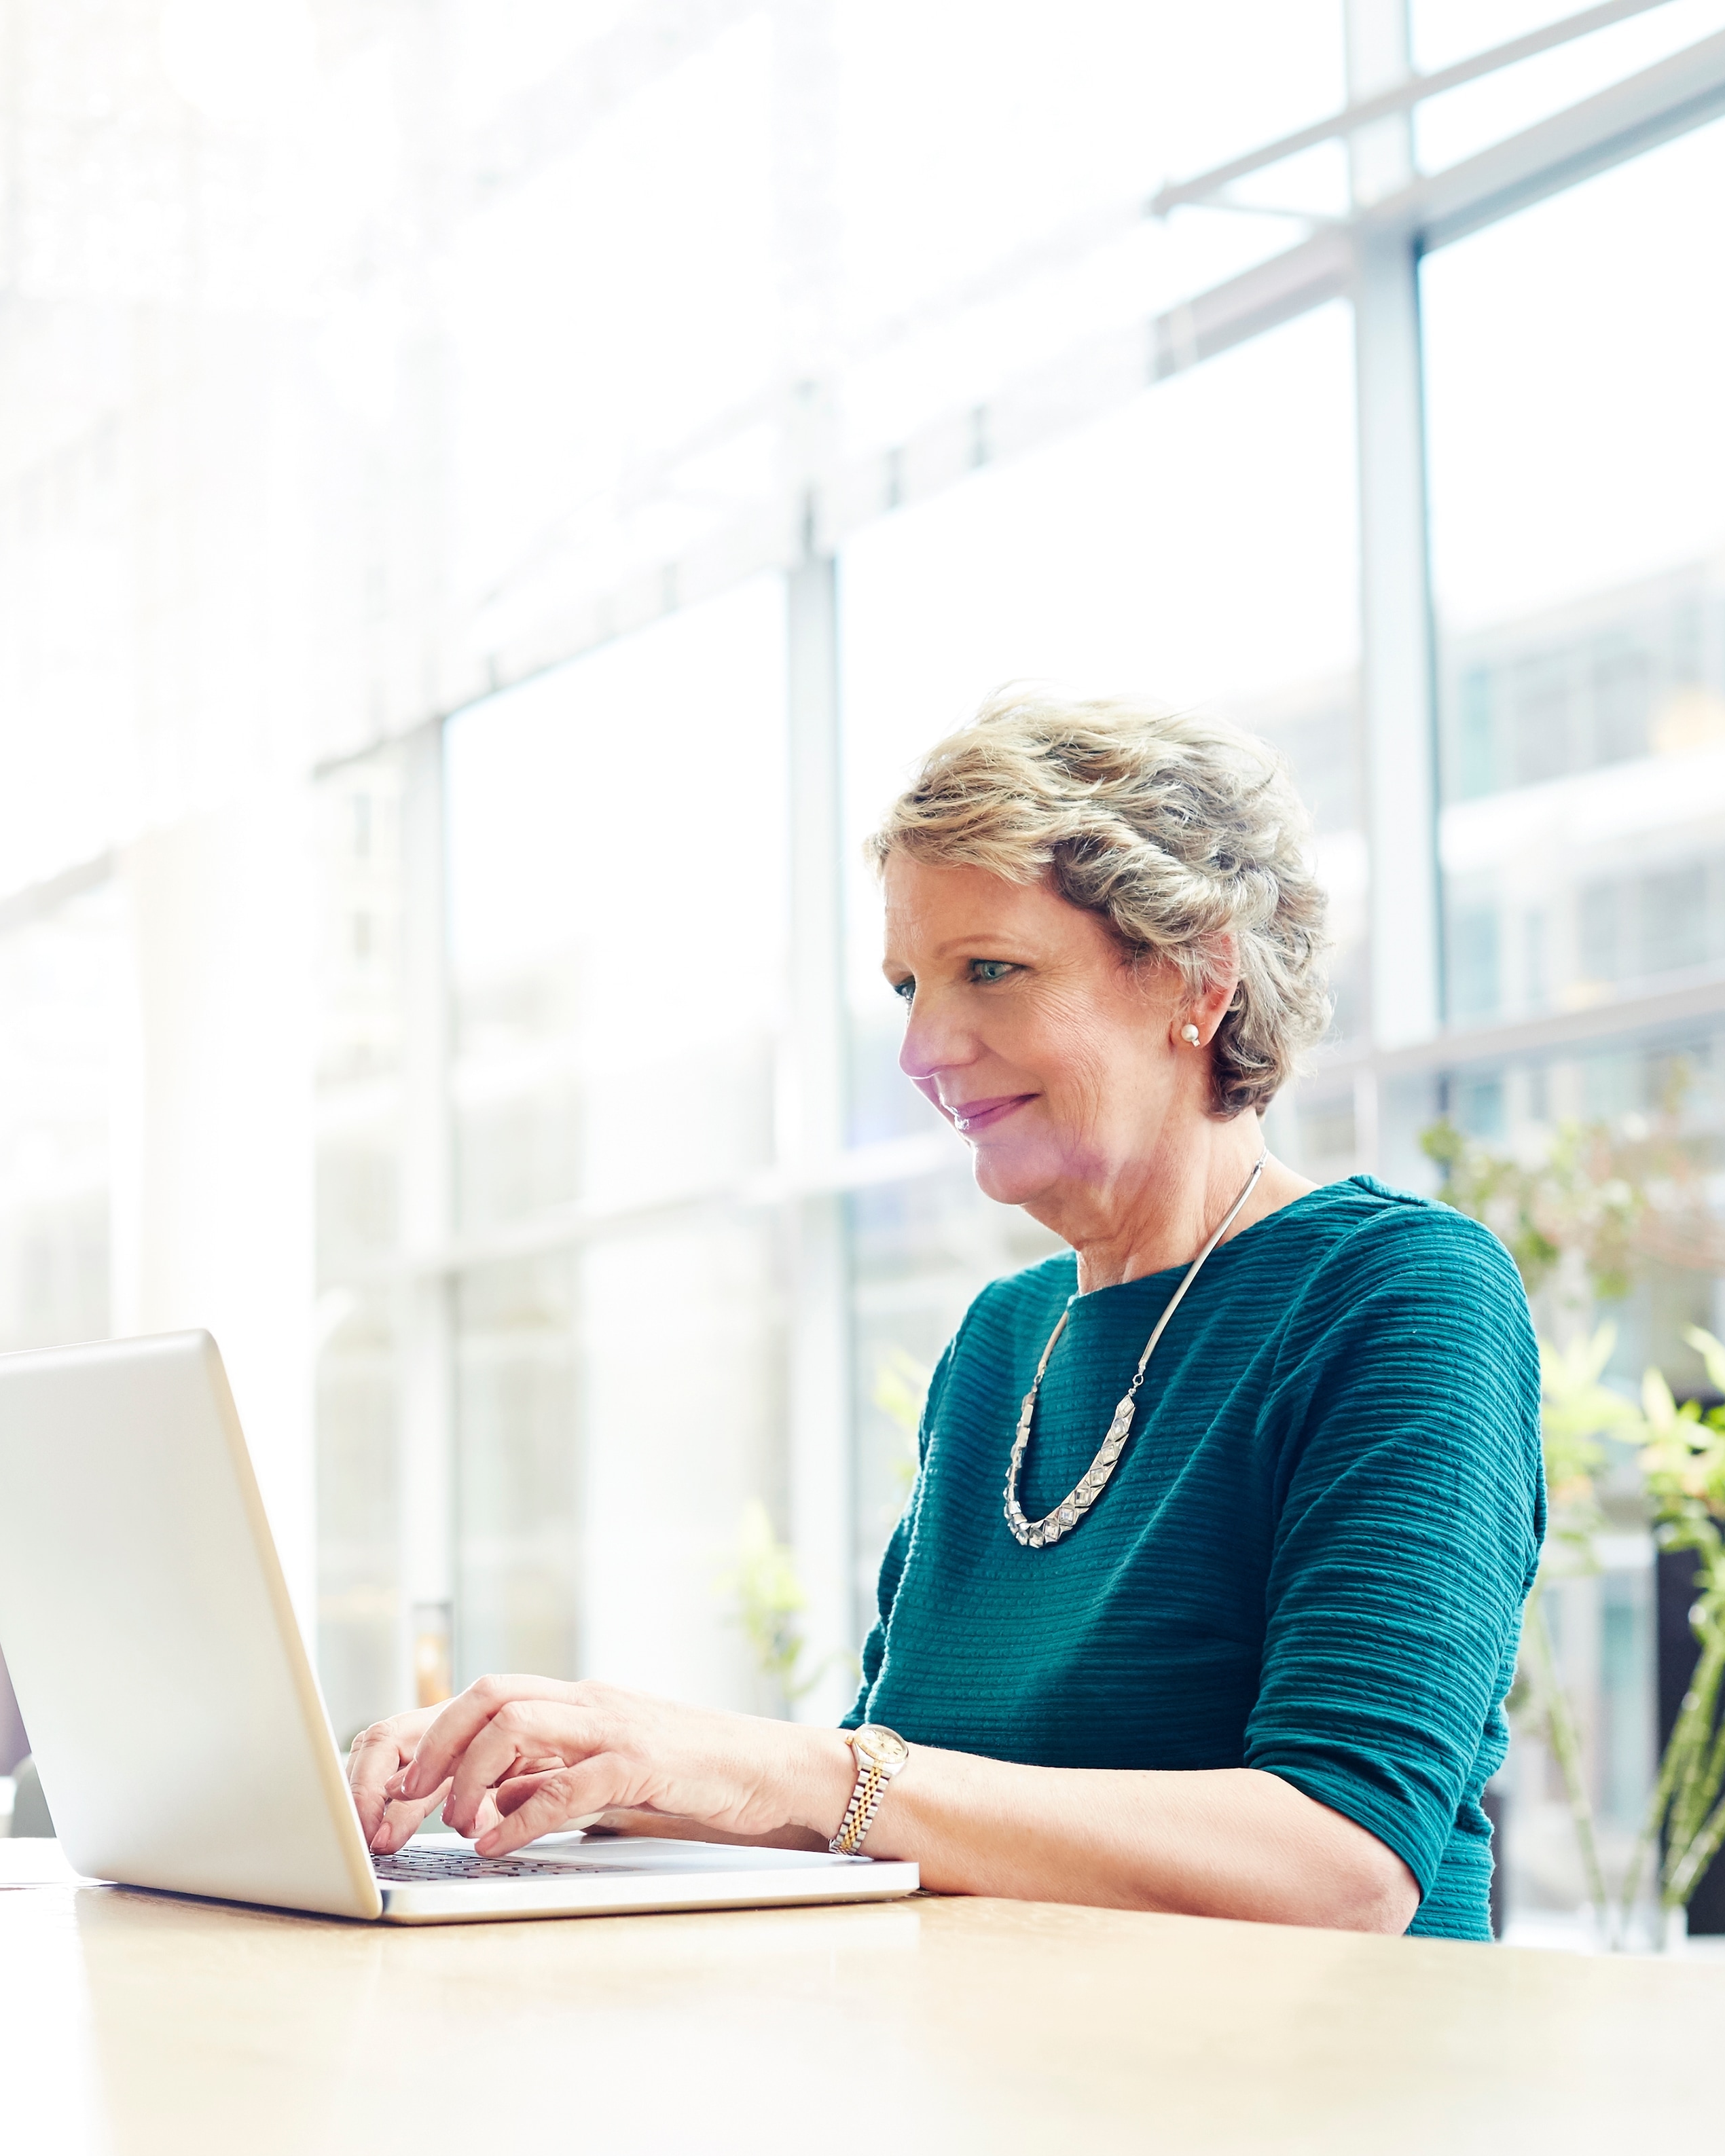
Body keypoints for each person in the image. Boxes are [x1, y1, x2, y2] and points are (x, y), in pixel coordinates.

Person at [346, 691, 1544, 1939]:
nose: (922, 1048)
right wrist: (586, 1765)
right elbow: (903, 1801)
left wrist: (789, 1768)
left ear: (1196, 975)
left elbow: (1346, 1865)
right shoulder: (1000, 1343)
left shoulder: (1402, 1295)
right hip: (1011, 2091)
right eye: (911, 983)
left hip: (1295, 2110)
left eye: (990, 971)